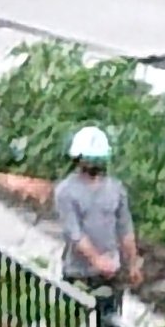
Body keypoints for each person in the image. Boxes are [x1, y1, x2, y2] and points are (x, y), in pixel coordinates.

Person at [51, 126, 141, 295]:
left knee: (107, 318)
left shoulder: (115, 189)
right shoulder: (66, 191)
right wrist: (97, 260)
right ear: (78, 159)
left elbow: (125, 230)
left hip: (110, 274)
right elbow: (75, 233)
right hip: (78, 273)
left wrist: (132, 264)